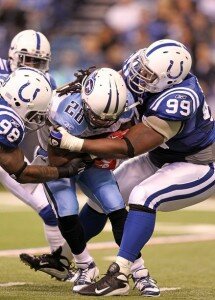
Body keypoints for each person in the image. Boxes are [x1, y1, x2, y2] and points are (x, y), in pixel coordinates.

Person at [49, 39, 215, 296]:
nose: (139, 73)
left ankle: (121, 275)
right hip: (160, 157)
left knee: (144, 196)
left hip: (197, 164)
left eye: (149, 73)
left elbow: (130, 146)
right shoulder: (146, 76)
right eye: (142, 65)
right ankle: (63, 257)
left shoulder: (181, 98)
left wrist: (77, 143)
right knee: (101, 198)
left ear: (170, 80)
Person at [0, 29, 76, 281]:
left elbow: (43, 128)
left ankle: (60, 263)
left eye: (38, 61)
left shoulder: (47, 84)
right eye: (26, 59)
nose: (32, 66)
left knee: (50, 210)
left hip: (9, 151)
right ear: (12, 56)